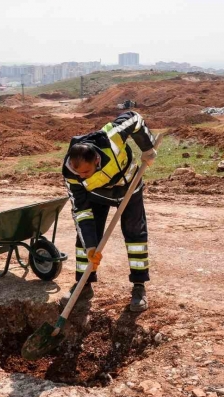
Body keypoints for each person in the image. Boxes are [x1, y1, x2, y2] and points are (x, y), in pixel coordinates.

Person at [61, 111, 157, 312]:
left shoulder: (111, 136)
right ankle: (83, 285)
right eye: (78, 172)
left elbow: (134, 118)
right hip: (98, 195)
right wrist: (90, 246)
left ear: (96, 159)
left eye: (85, 172)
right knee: (86, 239)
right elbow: (80, 211)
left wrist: (146, 148)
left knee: (135, 235)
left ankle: (139, 287)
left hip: (130, 187)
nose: (81, 176)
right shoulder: (71, 173)